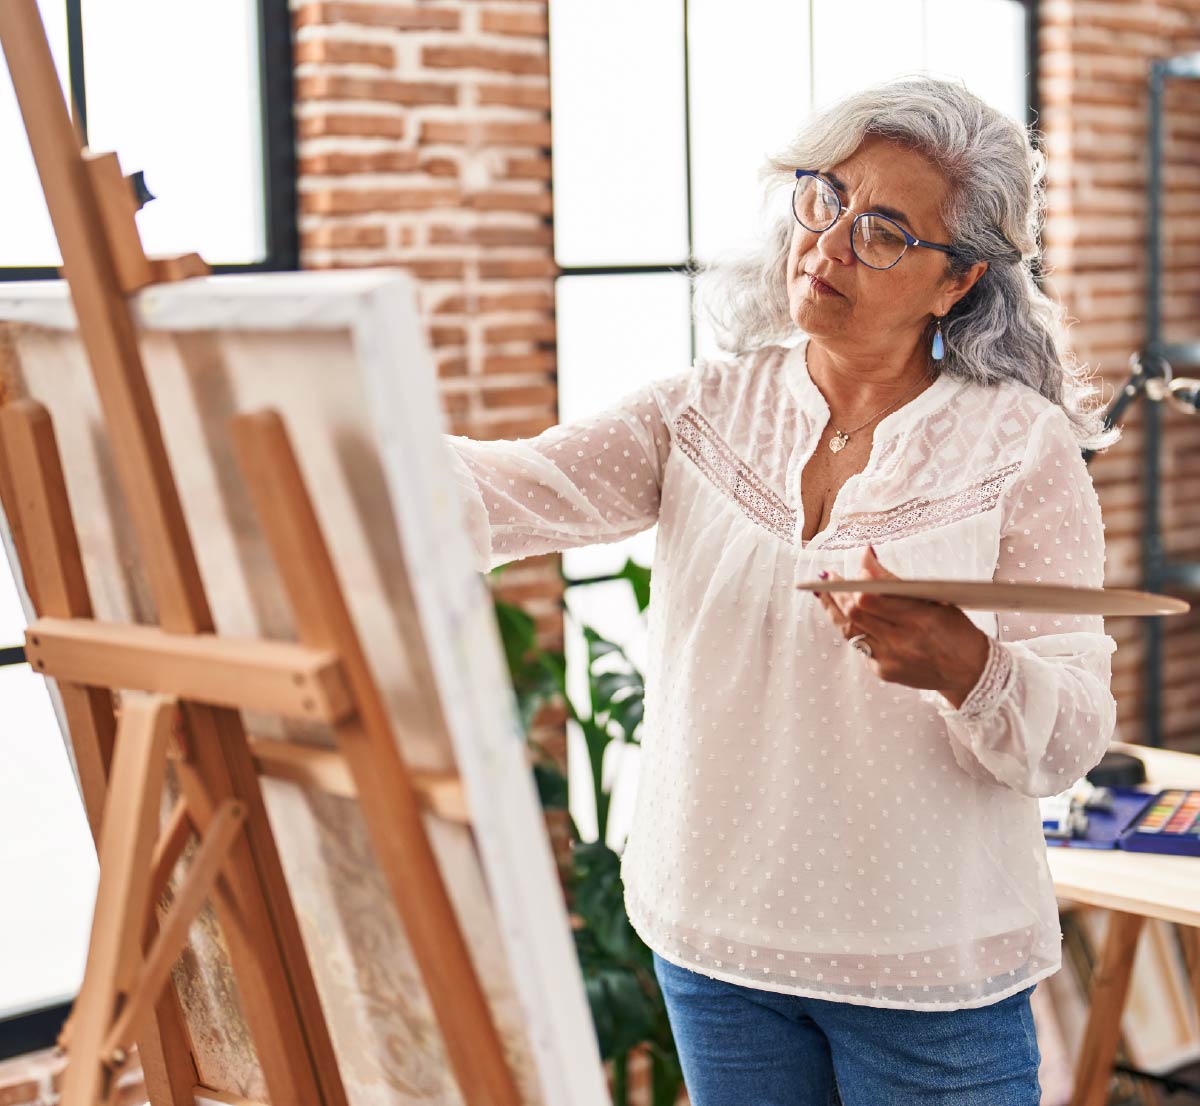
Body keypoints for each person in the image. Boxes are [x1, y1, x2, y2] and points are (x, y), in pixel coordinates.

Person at [444, 74, 1120, 1105]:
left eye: (886, 229)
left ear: (959, 281)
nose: (830, 242)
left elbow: (1072, 732)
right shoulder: (699, 410)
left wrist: (967, 667)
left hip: (928, 973)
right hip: (716, 949)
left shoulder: (1018, 448)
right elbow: (495, 495)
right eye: (824, 196)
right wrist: (289, 414)